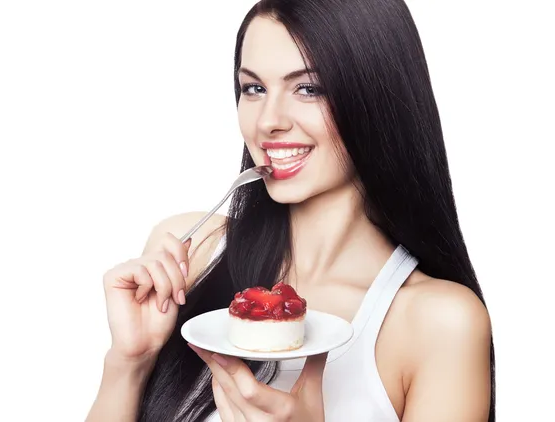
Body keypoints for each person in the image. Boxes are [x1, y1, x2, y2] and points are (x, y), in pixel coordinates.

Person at [86, 0, 495, 421]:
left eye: (308, 88)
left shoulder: (441, 323)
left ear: (377, 95)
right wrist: (129, 363)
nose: (268, 121)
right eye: (254, 88)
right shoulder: (192, 254)